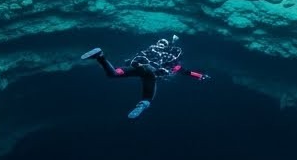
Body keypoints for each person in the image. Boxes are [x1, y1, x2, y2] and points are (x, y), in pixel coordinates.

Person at [80, 35, 210, 118]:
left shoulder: (148, 50)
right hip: (150, 73)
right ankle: (142, 105)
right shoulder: (171, 58)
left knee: (113, 74)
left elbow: (133, 60)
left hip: (138, 68)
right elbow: (185, 72)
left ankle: (100, 57)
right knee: (147, 98)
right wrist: (200, 76)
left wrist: (133, 64)